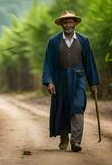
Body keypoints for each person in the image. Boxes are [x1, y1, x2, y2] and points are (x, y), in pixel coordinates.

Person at [42, 10, 100, 152]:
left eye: (70, 22)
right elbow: (48, 63)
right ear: (61, 24)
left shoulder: (83, 40)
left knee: (77, 107)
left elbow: (89, 63)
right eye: (65, 22)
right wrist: (49, 82)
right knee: (62, 109)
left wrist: (93, 83)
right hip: (60, 79)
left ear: (75, 23)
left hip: (78, 78)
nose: (68, 25)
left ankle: (75, 141)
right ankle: (64, 138)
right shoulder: (53, 42)